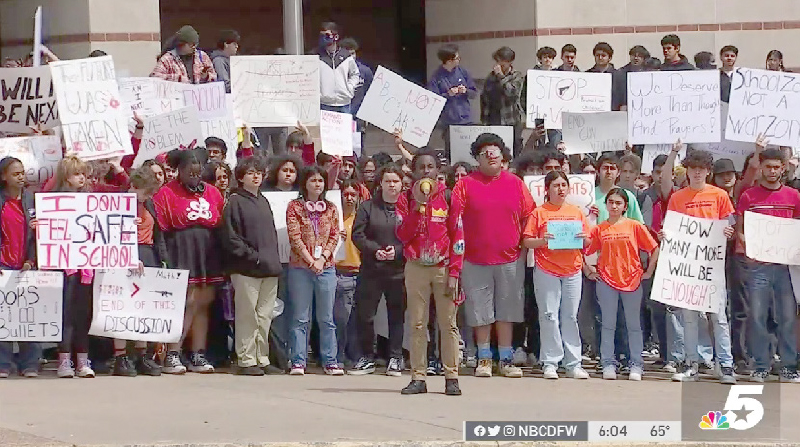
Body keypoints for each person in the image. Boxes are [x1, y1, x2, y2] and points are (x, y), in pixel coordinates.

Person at [450, 133, 535, 378]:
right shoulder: (464, 184)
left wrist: (525, 245)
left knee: (507, 311)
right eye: (484, 153)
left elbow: (529, 216)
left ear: (502, 156)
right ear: (477, 158)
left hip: (510, 259)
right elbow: (454, 222)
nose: (490, 156)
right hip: (474, 259)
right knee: (480, 311)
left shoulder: (516, 183)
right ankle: (484, 358)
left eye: (495, 152)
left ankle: (505, 360)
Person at [660, 145, 736, 384]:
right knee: (690, 317)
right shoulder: (677, 197)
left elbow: (730, 227)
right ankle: (691, 363)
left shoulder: (719, 196)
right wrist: (665, 236)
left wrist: (728, 231)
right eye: (693, 169)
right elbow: (671, 228)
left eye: (701, 169)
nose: (697, 174)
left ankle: (725, 365)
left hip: (712, 265)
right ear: (687, 171)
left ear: (708, 172)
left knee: (718, 317)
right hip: (687, 266)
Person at [396, 148, 464, 396]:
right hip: (416, 268)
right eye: (421, 167)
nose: (426, 171)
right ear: (414, 172)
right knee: (416, 323)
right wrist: (418, 208)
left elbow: (458, 236)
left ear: (438, 171)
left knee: (448, 324)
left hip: (443, 268)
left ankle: (452, 376)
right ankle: (418, 377)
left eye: (430, 167)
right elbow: (402, 235)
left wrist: (455, 271)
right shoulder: (406, 199)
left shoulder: (448, 197)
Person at [153, 148, 225, 374]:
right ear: (179, 171)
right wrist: (164, 258)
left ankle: (198, 353)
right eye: (189, 171)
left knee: (204, 302)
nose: (194, 176)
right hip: (180, 249)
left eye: (198, 171)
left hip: (208, 249)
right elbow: (160, 228)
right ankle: (173, 352)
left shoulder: (213, 192)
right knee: (187, 302)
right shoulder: (166, 193)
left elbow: (221, 220)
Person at [735, 147, 800, 382]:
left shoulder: (794, 196)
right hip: (758, 266)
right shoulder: (749, 196)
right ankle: (760, 365)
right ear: (760, 167)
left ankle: (789, 367)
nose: (772, 171)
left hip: (785, 267)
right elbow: (740, 230)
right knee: (757, 316)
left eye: (776, 167)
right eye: (768, 166)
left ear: (783, 169)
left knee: (788, 317)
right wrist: (750, 248)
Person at [585, 188, 659, 381]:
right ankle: (608, 363)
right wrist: (589, 271)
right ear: (606, 205)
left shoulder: (634, 226)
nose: (614, 206)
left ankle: (636, 364)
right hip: (606, 281)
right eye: (611, 202)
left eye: (618, 203)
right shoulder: (599, 228)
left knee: (633, 325)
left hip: (632, 280)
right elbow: (583, 248)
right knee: (608, 324)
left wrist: (649, 271)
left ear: (625, 206)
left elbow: (654, 248)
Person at [523, 171, 591, 379]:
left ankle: (573, 363)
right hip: (547, 269)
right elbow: (527, 241)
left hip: (572, 270)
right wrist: (542, 241)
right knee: (549, 315)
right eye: (555, 185)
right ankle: (550, 361)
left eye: (563, 185)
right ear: (547, 189)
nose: (560, 189)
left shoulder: (576, 212)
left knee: (570, 316)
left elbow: (588, 242)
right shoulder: (539, 212)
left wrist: (584, 238)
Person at [222, 157, 283, 376]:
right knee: (247, 315)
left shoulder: (264, 200)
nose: (256, 176)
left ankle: (261, 357)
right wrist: (252, 257)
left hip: (269, 268)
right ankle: (246, 359)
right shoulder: (235, 201)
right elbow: (231, 237)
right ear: (240, 177)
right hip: (247, 268)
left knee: (265, 316)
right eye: (250, 173)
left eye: (259, 172)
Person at [110, 167, 169, 377]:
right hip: (125, 256)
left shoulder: (148, 203)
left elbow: (157, 233)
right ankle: (121, 356)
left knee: (144, 307)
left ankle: (142, 354)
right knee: (123, 306)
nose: (149, 196)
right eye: (146, 192)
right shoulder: (118, 204)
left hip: (147, 255)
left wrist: (163, 259)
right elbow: (110, 234)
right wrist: (129, 257)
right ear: (133, 187)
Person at [350, 165, 407, 376]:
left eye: (395, 181)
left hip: (398, 271)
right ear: (380, 183)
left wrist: (398, 252)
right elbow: (358, 234)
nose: (392, 185)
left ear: (402, 184)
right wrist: (376, 251)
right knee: (366, 315)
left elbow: (416, 236)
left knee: (397, 316)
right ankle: (367, 357)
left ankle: (395, 357)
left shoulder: (408, 207)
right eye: (388, 181)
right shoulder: (367, 207)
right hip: (371, 270)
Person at [285, 166, 342, 376]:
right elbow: (295, 237)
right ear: (305, 184)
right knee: (300, 317)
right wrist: (311, 261)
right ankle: (298, 360)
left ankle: (330, 361)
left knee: (327, 318)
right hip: (301, 268)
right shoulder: (294, 207)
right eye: (313, 180)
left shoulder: (331, 208)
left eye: (320, 181)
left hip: (326, 268)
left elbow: (335, 235)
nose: (317, 184)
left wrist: (323, 258)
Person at [51, 157, 95, 378]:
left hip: (87, 265)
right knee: (66, 313)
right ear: (66, 176)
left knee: (83, 313)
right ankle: (64, 360)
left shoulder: (92, 201)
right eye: (77, 173)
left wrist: (124, 225)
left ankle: (83, 360)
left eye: (83, 173)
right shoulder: (53, 201)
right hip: (65, 264)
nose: (82, 177)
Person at [0, 157, 38, 378]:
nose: (21, 177)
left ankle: (29, 363)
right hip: (4, 266)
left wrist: (30, 260)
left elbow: (36, 237)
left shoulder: (31, 200)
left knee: (28, 315)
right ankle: (3, 364)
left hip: (26, 265)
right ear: (4, 177)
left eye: (23, 172)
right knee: (4, 316)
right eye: (16, 174)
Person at [428, 43, 477, 161]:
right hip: (449, 120)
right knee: (451, 152)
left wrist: (465, 90)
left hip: (466, 118)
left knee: (469, 151)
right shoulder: (437, 77)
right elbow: (433, 99)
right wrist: (448, 94)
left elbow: (474, 92)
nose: (459, 60)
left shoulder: (463, 72)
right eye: (456, 58)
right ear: (448, 61)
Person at [334, 179, 363, 367]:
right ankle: (337, 356)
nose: (350, 198)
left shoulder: (361, 218)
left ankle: (352, 356)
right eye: (346, 194)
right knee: (338, 320)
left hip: (357, 272)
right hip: (336, 271)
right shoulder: (334, 219)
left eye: (353, 195)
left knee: (353, 321)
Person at [480, 46, 525, 153]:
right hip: (494, 118)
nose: (499, 65)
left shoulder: (516, 76)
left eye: (502, 62)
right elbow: (485, 98)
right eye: (497, 61)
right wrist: (485, 121)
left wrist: (500, 76)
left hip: (511, 119)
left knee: (515, 148)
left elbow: (512, 94)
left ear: (509, 62)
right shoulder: (491, 77)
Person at [317, 22, 360, 113]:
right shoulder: (317, 56)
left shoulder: (346, 56)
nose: (324, 38)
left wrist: (350, 87)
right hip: (324, 104)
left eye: (327, 35)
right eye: (321, 35)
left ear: (335, 37)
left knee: (345, 128)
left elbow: (355, 74)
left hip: (344, 104)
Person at [151, 25, 217, 84]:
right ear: (181, 44)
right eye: (191, 44)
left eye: (196, 44)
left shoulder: (202, 56)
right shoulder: (167, 59)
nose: (194, 47)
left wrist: (206, 76)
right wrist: (177, 78)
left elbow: (215, 77)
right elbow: (154, 78)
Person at [613, 45, 649, 111]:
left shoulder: (648, 73)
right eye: (634, 55)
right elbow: (617, 93)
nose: (636, 58)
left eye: (639, 56)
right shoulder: (621, 73)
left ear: (644, 58)